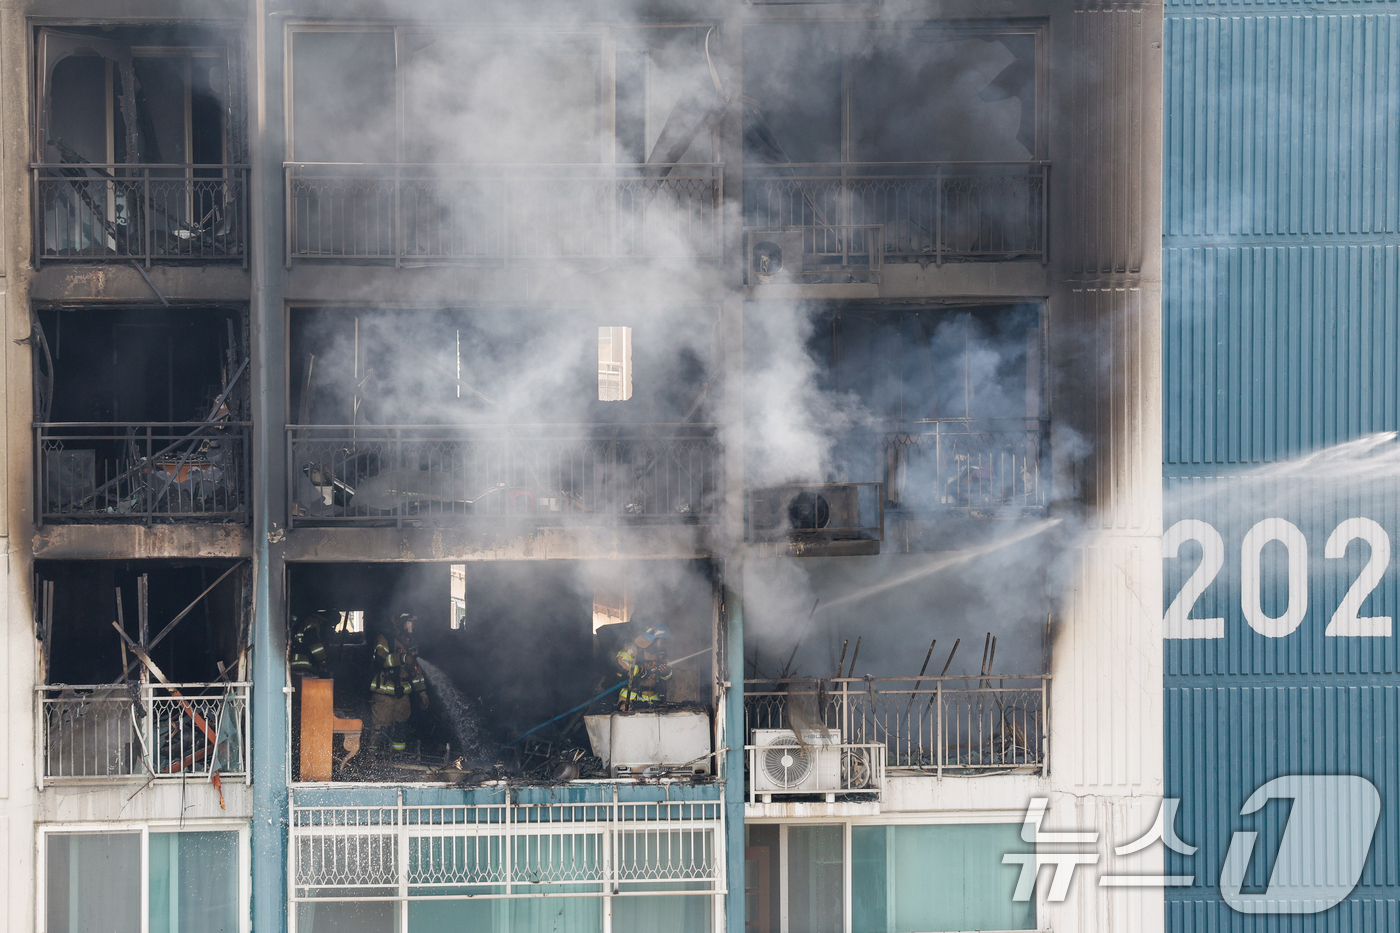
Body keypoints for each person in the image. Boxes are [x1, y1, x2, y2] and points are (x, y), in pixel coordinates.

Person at [368, 613, 429, 753]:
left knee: (401, 727)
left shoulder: (411, 643)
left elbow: (415, 670)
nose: (411, 627)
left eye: (413, 624)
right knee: (381, 727)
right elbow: (380, 660)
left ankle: (397, 758)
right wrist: (402, 658)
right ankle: (373, 759)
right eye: (408, 624)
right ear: (399, 623)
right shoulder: (384, 638)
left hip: (402, 696)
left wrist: (422, 692)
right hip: (384, 694)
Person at [615, 624, 673, 710]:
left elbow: (669, 674)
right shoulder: (635, 649)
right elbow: (619, 662)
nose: (663, 643)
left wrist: (666, 673)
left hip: (653, 700)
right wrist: (638, 670)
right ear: (654, 639)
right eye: (662, 640)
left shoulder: (661, 655)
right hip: (630, 700)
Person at [289, 610, 332, 678]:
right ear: (328, 620)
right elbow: (314, 643)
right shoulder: (313, 622)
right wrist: (323, 660)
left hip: (298, 665)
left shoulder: (310, 620)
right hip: (302, 664)